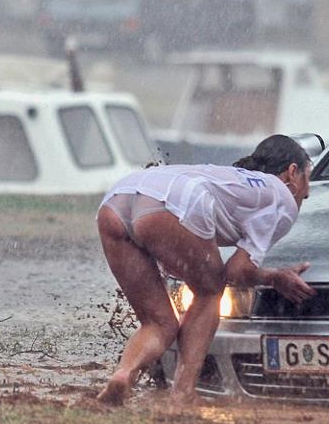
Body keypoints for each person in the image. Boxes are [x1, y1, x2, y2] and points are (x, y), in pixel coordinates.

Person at [95, 135, 316, 406]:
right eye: (308, 179)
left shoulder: (236, 179)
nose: (307, 193)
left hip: (118, 199)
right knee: (211, 290)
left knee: (158, 322)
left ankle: (123, 373)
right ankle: (184, 392)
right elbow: (237, 270)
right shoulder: (283, 197)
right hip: (169, 204)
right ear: (293, 173)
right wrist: (274, 277)